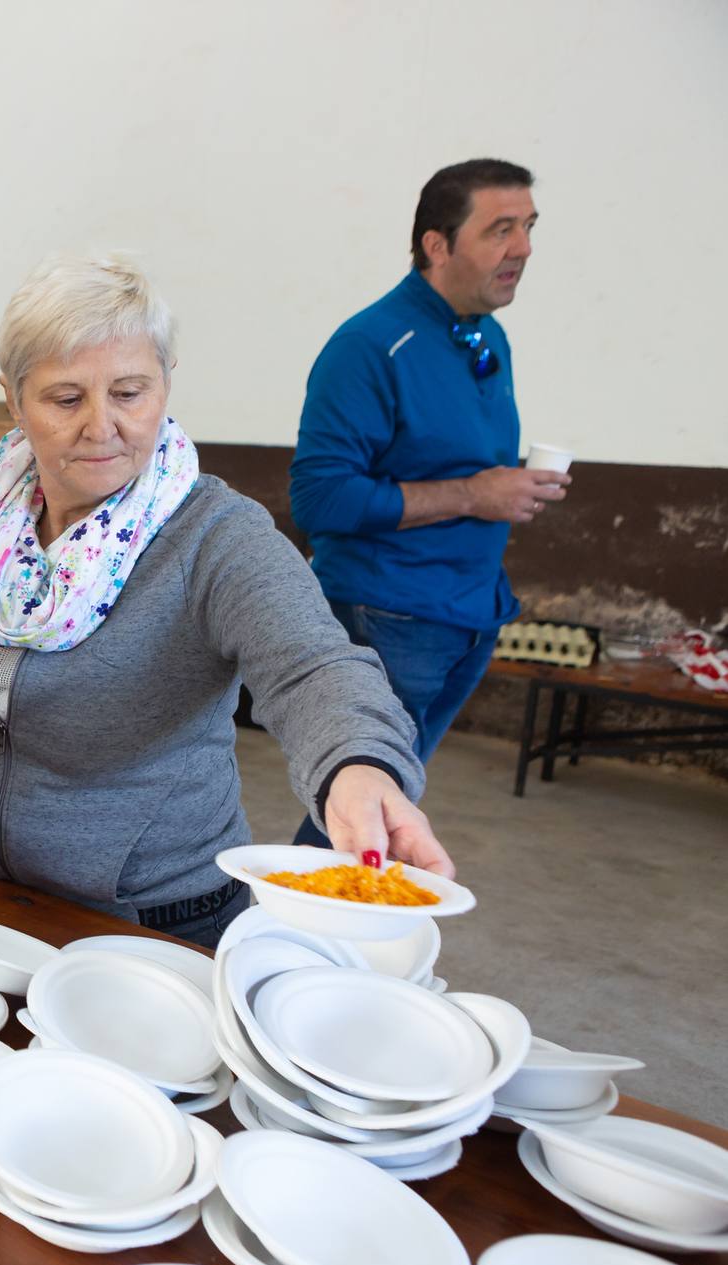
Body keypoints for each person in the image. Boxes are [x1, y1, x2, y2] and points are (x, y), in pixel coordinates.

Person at [0, 255, 450, 949]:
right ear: (12, 398)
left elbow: (313, 666)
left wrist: (358, 766)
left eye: (130, 392)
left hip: (151, 919)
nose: (102, 426)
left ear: (166, 382)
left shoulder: (215, 536)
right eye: (66, 398)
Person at [288, 159, 563, 847]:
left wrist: (502, 490)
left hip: (468, 610)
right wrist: (475, 494)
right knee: (358, 810)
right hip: (389, 616)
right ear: (436, 245)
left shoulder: (483, 335)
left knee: (388, 802)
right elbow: (319, 497)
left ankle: (330, 910)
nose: (523, 248)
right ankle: (298, 917)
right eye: (500, 229)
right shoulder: (368, 346)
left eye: (528, 227)